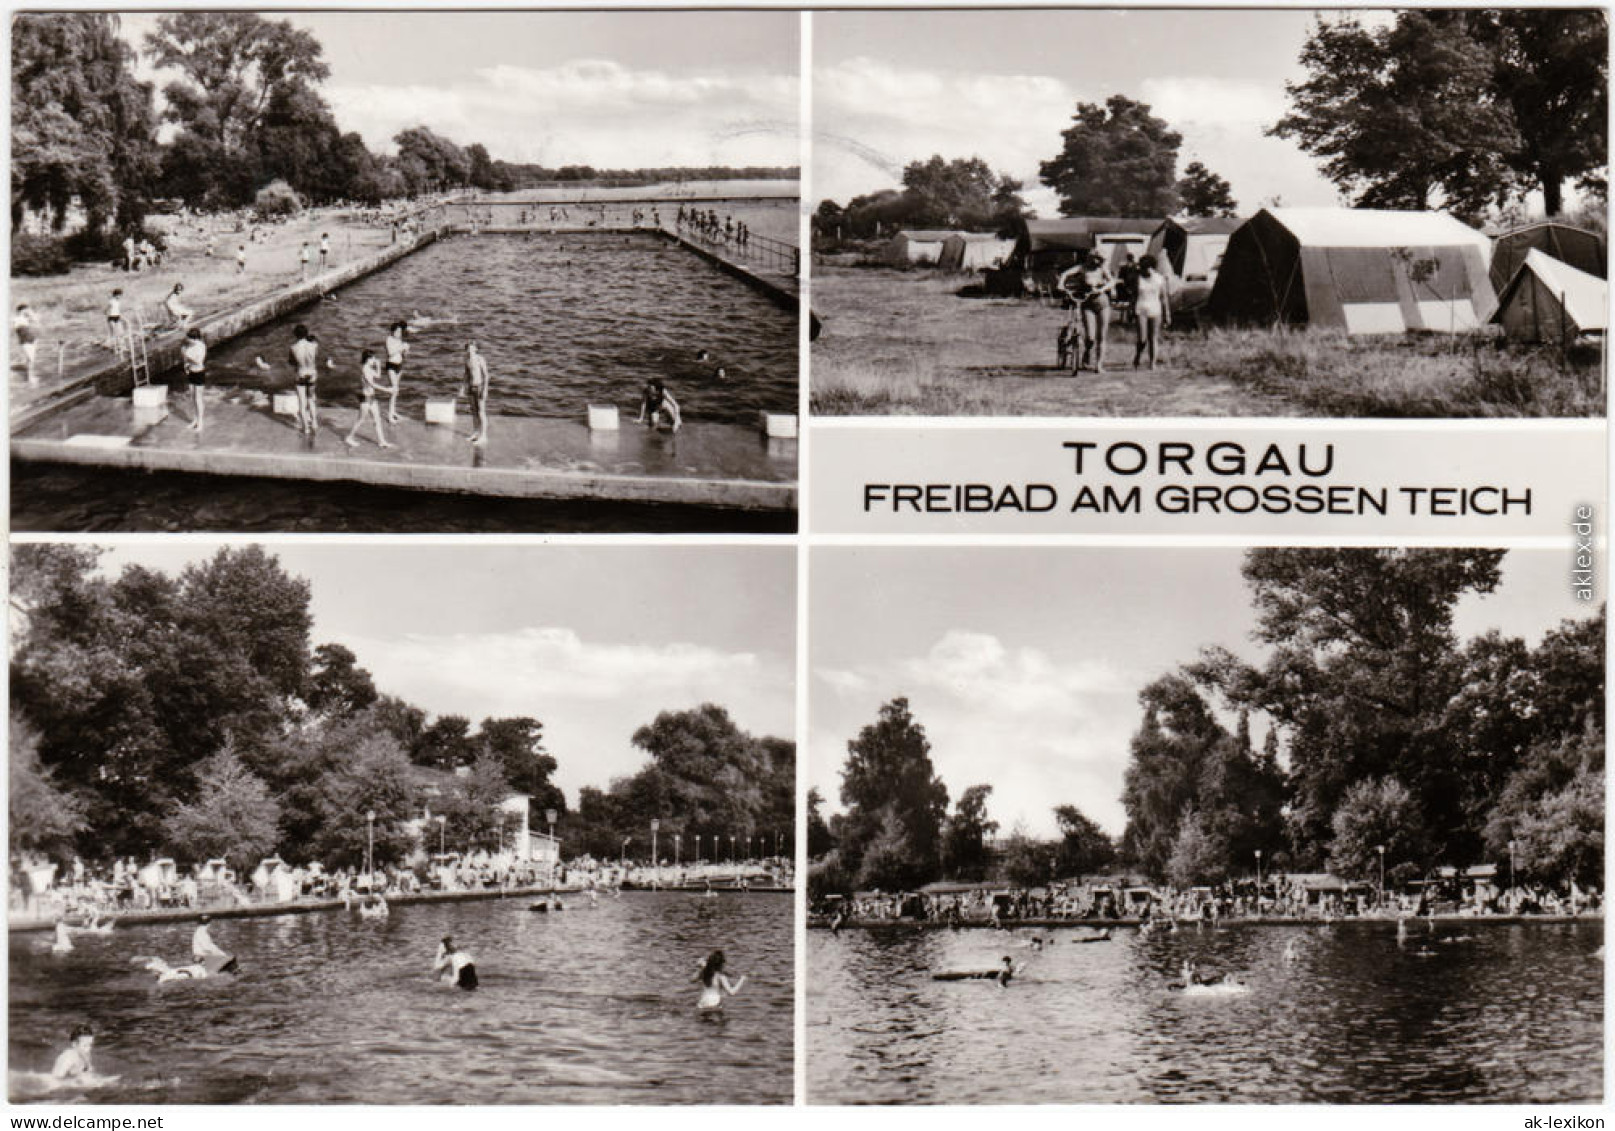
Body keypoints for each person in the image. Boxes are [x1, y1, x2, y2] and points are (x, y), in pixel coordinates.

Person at [1073, 252, 1115, 372]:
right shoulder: (1083, 268)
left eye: (1098, 259)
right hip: (1087, 304)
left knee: (1102, 336)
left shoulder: (1103, 269)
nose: (1096, 262)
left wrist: (1102, 288)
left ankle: (1099, 365)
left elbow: (1112, 281)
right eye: (1094, 259)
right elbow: (1068, 274)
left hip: (1103, 303)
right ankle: (1087, 353)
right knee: (1090, 337)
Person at [344, 348, 394, 449]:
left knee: (377, 420)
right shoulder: (365, 370)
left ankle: (382, 441)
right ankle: (349, 437)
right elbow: (372, 384)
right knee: (361, 420)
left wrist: (378, 365)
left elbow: (378, 376)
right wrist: (386, 390)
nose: (374, 360)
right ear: (368, 359)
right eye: (373, 358)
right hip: (366, 399)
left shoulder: (369, 369)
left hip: (372, 398)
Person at [1131, 255, 1171, 370]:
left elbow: (1164, 298)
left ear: (1152, 267)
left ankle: (1152, 363)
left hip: (1155, 309)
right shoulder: (1138, 279)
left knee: (1153, 337)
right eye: (1143, 268)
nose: (1146, 270)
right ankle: (1138, 355)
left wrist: (1167, 314)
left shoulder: (1159, 279)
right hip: (1141, 308)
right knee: (1142, 339)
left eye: (1148, 268)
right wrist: (1131, 310)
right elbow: (1134, 296)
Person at [289, 324, 321, 435]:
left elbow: (292, 362)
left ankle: (306, 428)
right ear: (306, 333)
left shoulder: (293, 348)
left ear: (295, 335)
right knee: (311, 400)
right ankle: (315, 423)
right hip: (312, 374)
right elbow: (316, 358)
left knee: (302, 403)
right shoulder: (314, 346)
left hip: (300, 374)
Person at [177, 328, 207, 431]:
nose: (188, 340)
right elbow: (186, 359)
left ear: (195, 339)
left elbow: (198, 361)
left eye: (189, 339)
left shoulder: (201, 347)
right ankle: (195, 419)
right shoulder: (189, 346)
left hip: (199, 373)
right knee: (192, 398)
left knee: (198, 399)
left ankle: (201, 422)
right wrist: (186, 364)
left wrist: (186, 356)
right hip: (191, 372)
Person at [463, 341, 490, 445]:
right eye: (468, 349)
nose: (470, 351)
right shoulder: (467, 360)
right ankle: (475, 432)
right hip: (471, 387)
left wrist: (485, 389)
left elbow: (486, 375)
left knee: (481, 412)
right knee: (473, 411)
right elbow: (466, 374)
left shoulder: (480, 359)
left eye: (472, 348)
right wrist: (463, 387)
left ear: (476, 349)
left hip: (479, 387)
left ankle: (484, 435)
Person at [383, 322, 409, 424]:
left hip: (399, 365)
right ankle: (390, 416)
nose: (399, 333)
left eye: (400, 331)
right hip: (391, 366)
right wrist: (402, 347)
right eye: (397, 331)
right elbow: (390, 352)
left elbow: (403, 355)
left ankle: (393, 412)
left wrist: (406, 350)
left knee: (396, 390)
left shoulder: (400, 340)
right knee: (394, 390)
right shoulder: (389, 339)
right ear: (393, 331)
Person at [14, 303, 41, 384]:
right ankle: (30, 378)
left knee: (31, 359)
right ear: (22, 311)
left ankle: (29, 376)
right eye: (26, 310)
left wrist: (31, 314)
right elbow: (20, 330)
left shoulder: (25, 318)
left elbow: (36, 321)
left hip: (31, 339)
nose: (28, 312)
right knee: (30, 359)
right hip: (25, 341)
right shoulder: (17, 319)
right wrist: (30, 315)